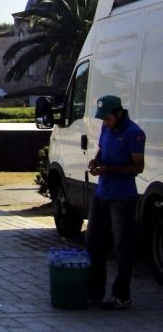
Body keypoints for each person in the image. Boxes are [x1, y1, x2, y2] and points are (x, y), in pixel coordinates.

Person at [86, 95, 146, 310]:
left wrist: (110, 169)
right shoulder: (106, 129)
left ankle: (122, 295)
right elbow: (102, 151)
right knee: (93, 243)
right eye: (103, 120)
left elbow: (138, 167)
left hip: (123, 197)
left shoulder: (134, 133)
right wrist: (95, 162)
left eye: (109, 119)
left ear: (119, 114)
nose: (106, 123)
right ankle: (95, 292)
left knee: (123, 247)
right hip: (102, 193)